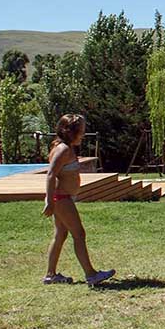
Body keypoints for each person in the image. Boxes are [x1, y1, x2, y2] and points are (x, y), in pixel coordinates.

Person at [42, 114, 116, 286]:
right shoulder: (63, 150)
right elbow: (51, 174)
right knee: (79, 234)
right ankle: (91, 274)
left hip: (63, 197)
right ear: (71, 132)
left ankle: (50, 275)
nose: (83, 134)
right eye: (81, 131)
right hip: (62, 198)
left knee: (61, 234)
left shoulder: (65, 148)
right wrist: (50, 200)